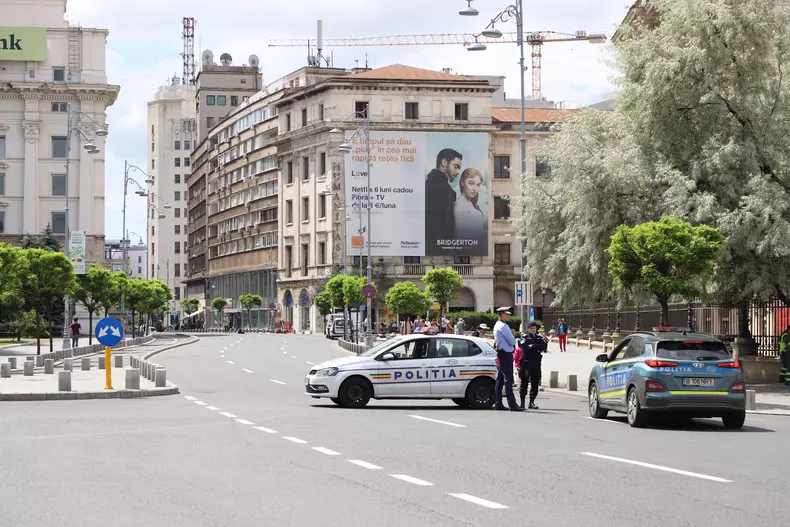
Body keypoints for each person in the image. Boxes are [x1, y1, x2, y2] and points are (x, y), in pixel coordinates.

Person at [425, 148, 462, 254]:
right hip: (438, 247)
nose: (458, 172)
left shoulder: (425, 184)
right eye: (456, 167)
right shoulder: (446, 191)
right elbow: (446, 226)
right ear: (444, 162)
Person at [493, 307, 523, 412]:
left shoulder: (497, 325)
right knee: (508, 379)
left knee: (500, 379)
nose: (508, 316)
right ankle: (512, 404)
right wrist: (514, 337)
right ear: (502, 314)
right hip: (506, 353)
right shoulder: (504, 326)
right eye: (507, 314)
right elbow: (512, 341)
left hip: (501, 353)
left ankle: (498, 402)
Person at [516, 321, 548, 409]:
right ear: (528, 329)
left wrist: (533, 346)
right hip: (526, 363)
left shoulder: (539, 337)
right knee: (524, 383)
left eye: (534, 328)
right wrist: (537, 347)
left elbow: (544, 347)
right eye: (531, 328)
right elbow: (525, 348)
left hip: (536, 363)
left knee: (535, 383)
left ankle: (532, 402)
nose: (533, 330)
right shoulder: (524, 337)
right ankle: (522, 403)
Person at [453, 168, 487, 249]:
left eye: (478, 184)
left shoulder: (477, 210)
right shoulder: (455, 207)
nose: (475, 189)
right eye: (471, 183)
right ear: (462, 182)